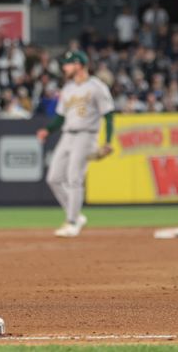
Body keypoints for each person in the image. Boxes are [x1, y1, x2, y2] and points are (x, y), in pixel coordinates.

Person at [36, 51, 115, 238]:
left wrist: (109, 140)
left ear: (79, 65)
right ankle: (76, 216)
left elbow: (109, 115)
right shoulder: (68, 88)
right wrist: (47, 130)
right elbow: (61, 117)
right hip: (67, 134)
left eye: (68, 64)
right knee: (53, 178)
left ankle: (71, 221)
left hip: (87, 135)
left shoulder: (97, 87)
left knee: (74, 178)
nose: (65, 67)